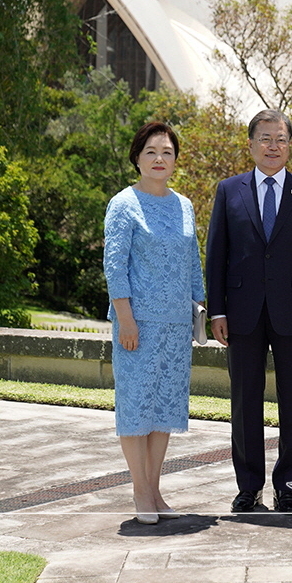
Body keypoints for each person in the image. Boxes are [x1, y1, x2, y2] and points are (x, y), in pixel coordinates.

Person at [205, 109, 292, 514]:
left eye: (280, 139)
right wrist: (217, 310)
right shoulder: (229, 190)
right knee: (245, 403)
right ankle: (249, 487)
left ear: (290, 145)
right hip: (241, 313)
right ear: (251, 144)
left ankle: (287, 487)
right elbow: (216, 254)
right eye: (265, 138)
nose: (273, 146)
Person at [103, 122, 205, 524]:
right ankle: (140, 492)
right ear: (137, 158)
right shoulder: (123, 204)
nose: (159, 158)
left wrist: (199, 306)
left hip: (176, 325)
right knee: (136, 408)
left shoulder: (184, 205)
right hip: (137, 325)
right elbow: (114, 266)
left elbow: (193, 261)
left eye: (166, 152)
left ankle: (156, 489)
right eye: (151, 152)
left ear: (176, 160)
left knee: (163, 409)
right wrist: (125, 318)